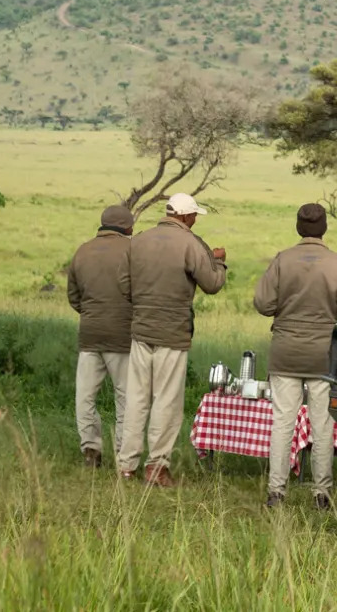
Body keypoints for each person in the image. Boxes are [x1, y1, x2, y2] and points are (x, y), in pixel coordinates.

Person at [117, 192, 228, 487]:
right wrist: (219, 263)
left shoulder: (138, 241)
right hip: (173, 333)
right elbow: (212, 284)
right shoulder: (190, 243)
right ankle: (157, 467)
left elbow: (123, 284)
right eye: (193, 216)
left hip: (141, 331)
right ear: (185, 216)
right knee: (166, 401)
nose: (194, 221)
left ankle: (126, 466)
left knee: (136, 400)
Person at [253, 202, 337, 509]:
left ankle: (276, 491)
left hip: (286, 349)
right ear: (324, 227)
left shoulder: (282, 260)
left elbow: (263, 303)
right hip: (324, 353)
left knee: (283, 422)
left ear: (299, 228)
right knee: (322, 424)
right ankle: (321, 493)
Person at [66, 203, 133, 469]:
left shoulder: (83, 251)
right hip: (123, 336)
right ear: (127, 227)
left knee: (85, 396)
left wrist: (92, 312)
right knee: (126, 398)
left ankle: (90, 450)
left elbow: (74, 297)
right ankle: (123, 454)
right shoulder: (132, 250)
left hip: (90, 335)